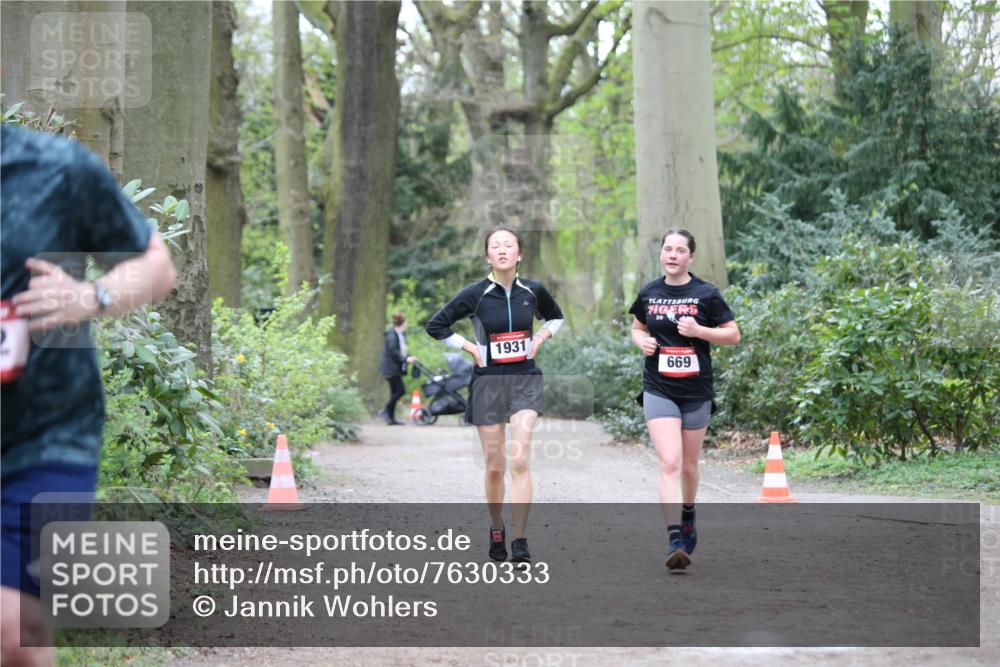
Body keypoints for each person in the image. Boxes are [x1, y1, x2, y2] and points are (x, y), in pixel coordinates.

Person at [1, 123, 177, 666]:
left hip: (46, 432)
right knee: (24, 635)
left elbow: (156, 265)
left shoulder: (56, 168)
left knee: (11, 627)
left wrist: (90, 295)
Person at [426, 227, 563, 566]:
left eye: (509, 245)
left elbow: (556, 316)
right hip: (487, 383)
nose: (502, 251)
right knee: (494, 467)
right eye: (495, 246)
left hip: (524, 380)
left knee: (519, 461)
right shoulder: (475, 293)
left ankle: (520, 539)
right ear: (487, 256)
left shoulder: (533, 291)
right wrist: (470, 346)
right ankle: (496, 527)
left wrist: (541, 337)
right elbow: (436, 325)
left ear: (520, 254)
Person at [628, 229, 740, 571]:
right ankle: (675, 537)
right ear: (661, 254)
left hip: (695, 391)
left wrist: (700, 332)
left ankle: (688, 512)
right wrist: (641, 342)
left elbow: (733, 335)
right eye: (667, 249)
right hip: (659, 388)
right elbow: (637, 327)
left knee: (689, 466)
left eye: (680, 250)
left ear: (691, 257)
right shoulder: (650, 292)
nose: (673, 255)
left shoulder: (706, 294)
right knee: (670, 463)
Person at [377, 312, 417, 425]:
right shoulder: (391, 335)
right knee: (400, 391)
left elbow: (401, 351)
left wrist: (409, 357)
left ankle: (390, 419)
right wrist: (406, 360)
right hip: (390, 368)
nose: (407, 324)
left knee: (394, 392)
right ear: (402, 323)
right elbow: (393, 352)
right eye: (406, 322)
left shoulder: (401, 335)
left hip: (396, 368)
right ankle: (385, 411)